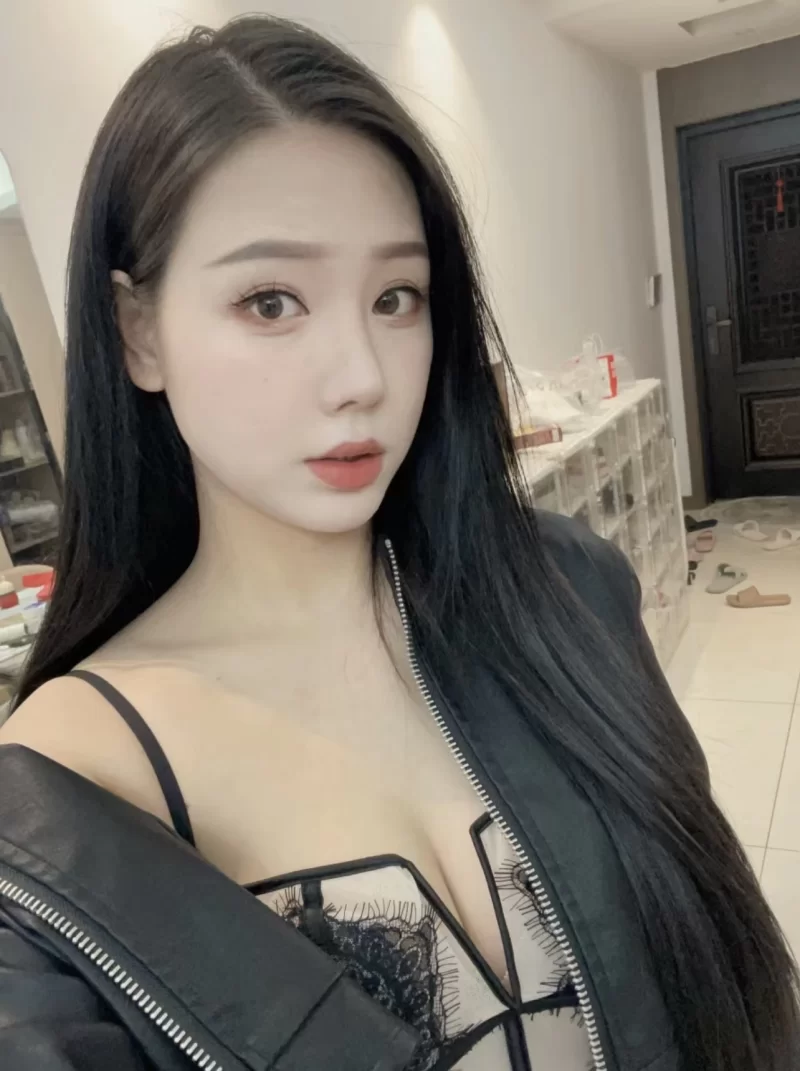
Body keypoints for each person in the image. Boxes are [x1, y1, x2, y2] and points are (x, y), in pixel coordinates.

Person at [0, 14, 796, 1071]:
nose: (361, 375)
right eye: (270, 301)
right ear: (138, 331)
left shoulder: (565, 587)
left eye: (395, 297)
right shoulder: (66, 790)